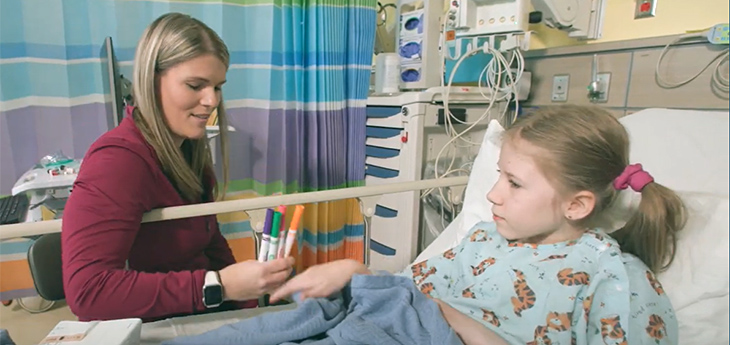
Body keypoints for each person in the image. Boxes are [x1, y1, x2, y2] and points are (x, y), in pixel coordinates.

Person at [270, 105, 685, 345]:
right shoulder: (484, 239)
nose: (493, 195)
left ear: (576, 204)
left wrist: (448, 316)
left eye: (515, 183)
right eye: (499, 176)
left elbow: (427, 310)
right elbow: (408, 292)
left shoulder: (614, 278)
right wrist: (357, 275)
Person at [62, 13, 294, 322]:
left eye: (218, 86)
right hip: (159, 324)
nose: (212, 101)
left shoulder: (188, 150)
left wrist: (252, 307)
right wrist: (219, 286)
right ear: (150, 80)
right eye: (195, 85)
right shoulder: (117, 161)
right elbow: (89, 293)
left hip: (200, 316)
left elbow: (209, 242)